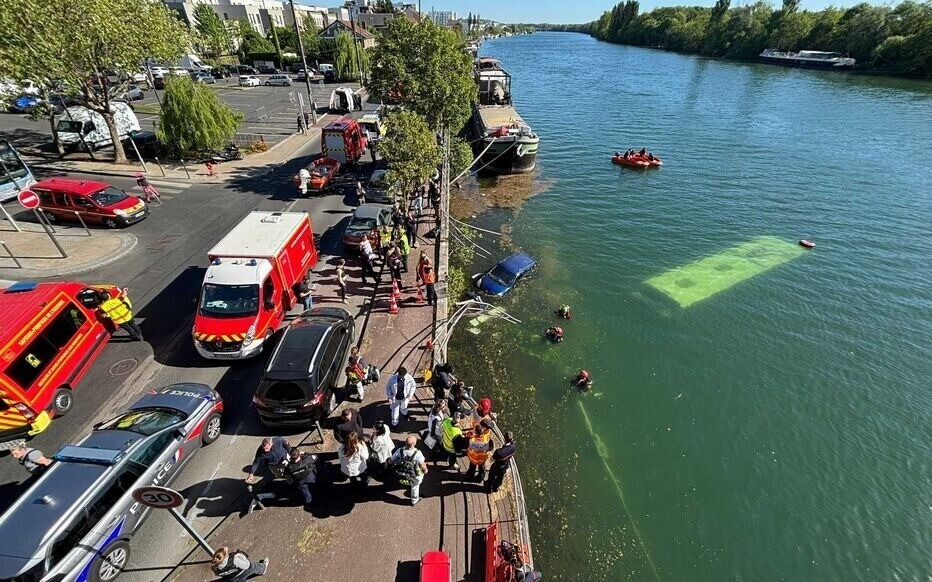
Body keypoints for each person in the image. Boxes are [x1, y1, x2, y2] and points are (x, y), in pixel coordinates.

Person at [392, 435, 428, 505]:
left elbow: (393, 459)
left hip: (403, 473)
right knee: (415, 487)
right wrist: (425, 470)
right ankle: (414, 500)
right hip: (414, 475)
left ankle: (405, 482)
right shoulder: (418, 453)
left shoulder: (400, 450)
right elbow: (422, 465)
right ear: (414, 444)